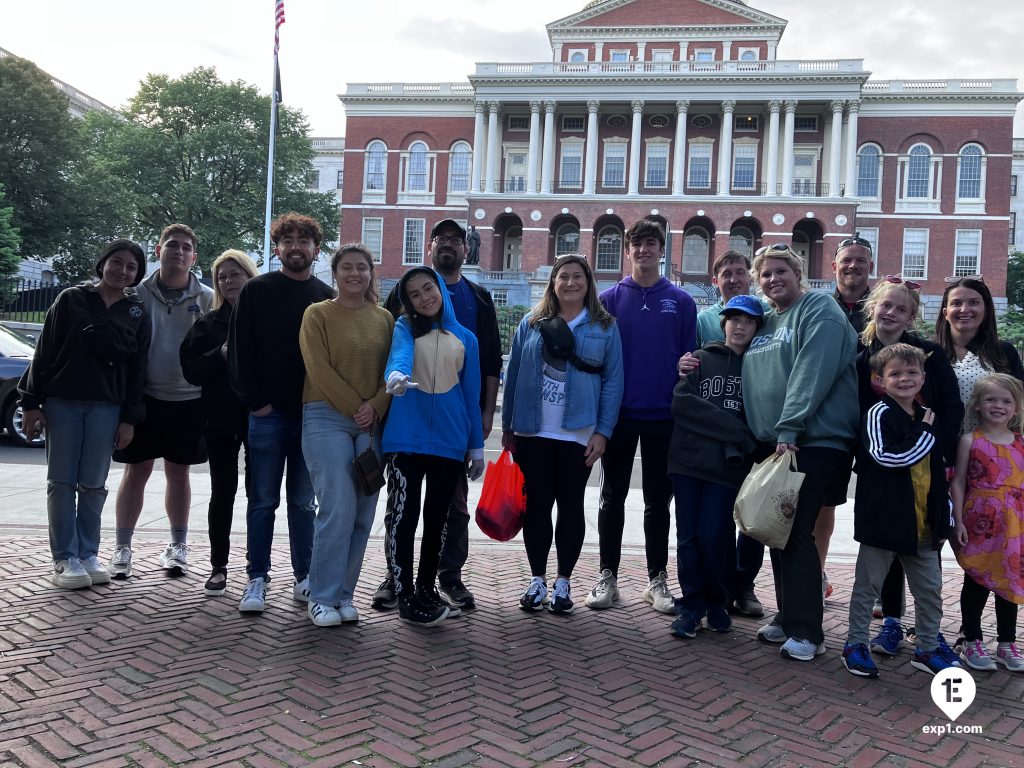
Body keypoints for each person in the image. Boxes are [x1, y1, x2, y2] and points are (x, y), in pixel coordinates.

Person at [377, 219, 501, 612]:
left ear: (439, 290)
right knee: (403, 515)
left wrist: (477, 448)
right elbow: (397, 356)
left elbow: (471, 395)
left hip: (449, 443)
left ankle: (427, 587)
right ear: (408, 301)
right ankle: (399, 585)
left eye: (428, 288)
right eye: (414, 294)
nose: (424, 297)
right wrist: (395, 376)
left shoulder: (467, 338)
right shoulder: (403, 327)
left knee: (438, 519)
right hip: (405, 439)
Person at [742, 244, 859, 661]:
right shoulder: (765, 319)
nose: (773, 279)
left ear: (798, 272)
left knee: (796, 532)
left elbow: (813, 372)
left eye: (781, 271)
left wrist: (789, 426)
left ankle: (808, 631)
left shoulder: (819, 310)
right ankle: (789, 615)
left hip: (814, 441)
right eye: (765, 274)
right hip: (775, 443)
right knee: (778, 530)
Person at [19, 240, 150, 588]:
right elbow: (44, 351)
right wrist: (31, 402)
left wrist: (129, 418)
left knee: (93, 484)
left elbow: (138, 369)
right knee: (61, 482)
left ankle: (89, 552)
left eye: (131, 267)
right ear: (102, 263)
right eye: (117, 262)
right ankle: (65, 557)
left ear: (138, 274)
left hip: (107, 407)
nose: (123, 270)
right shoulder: (71, 300)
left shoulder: (137, 311)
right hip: (63, 402)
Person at [585, 219, 695, 614]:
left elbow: (691, 358)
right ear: (628, 251)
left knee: (656, 503)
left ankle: (656, 580)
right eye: (638, 244)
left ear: (661, 250)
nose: (645, 250)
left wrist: (686, 366)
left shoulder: (681, 301)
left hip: (664, 416)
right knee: (611, 497)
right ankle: (607, 576)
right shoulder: (609, 300)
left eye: (652, 244)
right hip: (619, 415)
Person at [503, 254, 623, 614]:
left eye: (578, 277)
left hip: (578, 433)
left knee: (570, 506)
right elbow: (514, 375)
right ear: (553, 283)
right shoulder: (532, 322)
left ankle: (564, 582)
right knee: (537, 506)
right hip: (533, 430)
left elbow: (614, 382)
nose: (570, 283)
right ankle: (537, 580)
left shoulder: (604, 326)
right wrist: (509, 427)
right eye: (563, 277)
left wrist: (603, 432)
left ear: (588, 284)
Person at [229, 212, 335, 614]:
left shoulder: (326, 296)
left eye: (303, 240)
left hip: (312, 416)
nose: (295, 246)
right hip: (267, 415)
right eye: (287, 239)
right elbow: (239, 351)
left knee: (304, 502)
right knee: (261, 500)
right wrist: (256, 401)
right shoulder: (256, 290)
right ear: (277, 248)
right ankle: (257, 577)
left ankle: (304, 576)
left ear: (316, 250)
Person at [854, 277, 963, 657]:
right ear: (874, 308)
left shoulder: (927, 356)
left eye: (901, 308)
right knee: (885, 546)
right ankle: (891, 622)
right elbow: (854, 408)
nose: (892, 313)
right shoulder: (859, 352)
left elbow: (951, 407)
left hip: (925, 465)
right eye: (886, 305)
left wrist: (937, 451)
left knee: (919, 547)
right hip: (882, 465)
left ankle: (929, 635)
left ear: (912, 316)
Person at [840, 344, 961, 678]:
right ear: (880, 380)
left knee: (930, 591)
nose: (905, 379)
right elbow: (886, 457)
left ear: (923, 377)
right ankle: (855, 644)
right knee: (868, 587)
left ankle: (926, 648)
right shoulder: (879, 413)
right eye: (895, 373)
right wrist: (924, 431)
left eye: (912, 372)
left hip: (923, 523)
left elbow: (939, 474)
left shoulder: (926, 414)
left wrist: (946, 515)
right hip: (884, 519)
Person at [109, 224, 213, 579]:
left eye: (186, 247)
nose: (179, 252)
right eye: (173, 245)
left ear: (194, 257)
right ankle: (122, 547)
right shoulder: (134, 294)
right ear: (158, 250)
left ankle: (178, 546)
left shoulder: (208, 298)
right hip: (145, 399)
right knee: (135, 471)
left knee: (179, 474)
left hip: (190, 400)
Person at [299, 243, 393, 627]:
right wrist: (359, 406)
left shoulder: (384, 318)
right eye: (347, 268)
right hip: (326, 416)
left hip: (371, 422)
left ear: (371, 274)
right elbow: (317, 368)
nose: (355, 274)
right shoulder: (317, 314)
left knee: (363, 512)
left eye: (362, 268)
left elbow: (396, 370)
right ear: (335, 273)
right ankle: (320, 597)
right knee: (337, 507)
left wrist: (376, 406)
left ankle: (344, 594)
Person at [668, 295, 761, 638]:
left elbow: (761, 416)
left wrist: (747, 440)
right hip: (688, 461)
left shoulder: (759, 368)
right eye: (734, 319)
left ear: (756, 328)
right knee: (688, 537)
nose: (740, 326)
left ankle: (717, 601)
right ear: (723, 324)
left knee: (716, 535)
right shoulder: (700, 359)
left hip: (727, 468)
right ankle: (691, 605)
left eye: (748, 321)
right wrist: (737, 430)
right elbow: (683, 404)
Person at [689, 249, 770, 617]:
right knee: (714, 522)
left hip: (755, 431)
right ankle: (714, 589)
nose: (734, 278)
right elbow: (692, 364)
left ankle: (745, 585)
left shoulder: (765, 319)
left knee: (752, 518)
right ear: (715, 280)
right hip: (714, 441)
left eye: (741, 272)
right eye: (727, 273)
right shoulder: (703, 319)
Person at [179, 250, 258, 597]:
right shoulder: (207, 325)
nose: (228, 282)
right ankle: (218, 566)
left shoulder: (264, 320)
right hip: (220, 419)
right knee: (221, 492)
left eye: (234, 274)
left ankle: (258, 568)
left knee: (260, 495)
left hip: (260, 418)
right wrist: (220, 354)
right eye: (222, 277)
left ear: (249, 275)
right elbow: (190, 370)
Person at [950, 374, 1024, 673]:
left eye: (1007, 401)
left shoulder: (1021, 443)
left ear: (1016, 408)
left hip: (1015, 524)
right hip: (980, 519)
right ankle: (972, 640)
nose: (999, 405)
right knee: (977, 577)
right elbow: (957, 481)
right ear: (977, 405)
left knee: (1010, 581)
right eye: (991, 399)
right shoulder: (970, 440)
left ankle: (1007, 642)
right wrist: (957, 519)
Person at [818, 234, 876, 601]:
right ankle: (818, 573)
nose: (853, 266)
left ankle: (881, 591)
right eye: (846, 260)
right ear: (834, 266)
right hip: (834, 421)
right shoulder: (820, 306)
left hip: (877, 422)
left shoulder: (884, 306)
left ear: (870, 265)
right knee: (826, 502)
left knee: (880, 507)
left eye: (860, 260)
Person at [936, 277, 1024, 417]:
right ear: (945, 312)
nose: (964, 309)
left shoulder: (1004, 352)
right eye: (956, 303)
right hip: (939, 437)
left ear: (986, 310)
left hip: (989, 438)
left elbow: (1018, 402)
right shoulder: (930, 352)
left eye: (974, 303)